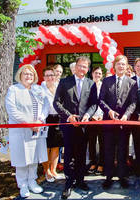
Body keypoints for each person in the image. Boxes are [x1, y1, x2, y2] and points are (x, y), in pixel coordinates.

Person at [53, 56, 98, 199]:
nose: (82, 69)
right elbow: (57, 103)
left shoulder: (91, 84)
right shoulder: (65, 82)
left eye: (85, 67)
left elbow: (93, 104)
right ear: (75, 66)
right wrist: (69, 116)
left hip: (84, 126)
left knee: (81, 154)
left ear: (87, 69)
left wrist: (87, 116)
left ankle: (80, 180)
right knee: (69, 155)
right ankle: (69, 182)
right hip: (68, 125)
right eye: (80, 66)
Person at [5, 64, 50, 198]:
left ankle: (32, 181)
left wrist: (40, 120)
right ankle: (23, 184)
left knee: (34, 157)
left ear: (34, 76)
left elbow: (46, 105)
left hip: (37, 129)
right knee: (22, 158)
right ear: (20, 75)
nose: (28, 76)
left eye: (31, 74)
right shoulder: (14, 89)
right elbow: (12, 110)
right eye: (25, 73)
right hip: (21, 131)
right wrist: (28, 123)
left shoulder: (38, 89)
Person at [99, 55, 137, 189]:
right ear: (114, 66)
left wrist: (127, 115)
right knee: (108, 151)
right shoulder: (106, 81)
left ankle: (122, 176)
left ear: (127, 66)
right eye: (118, 64)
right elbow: (101, 100)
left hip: (123, 123)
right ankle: (108, 177)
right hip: (109, 122)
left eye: (123, 64)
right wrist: (109, 111)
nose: (121, 66)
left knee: (122, 151)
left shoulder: (132, 82)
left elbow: (133, 102)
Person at [41, 66, 64, 183]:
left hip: (58, 119)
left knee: (56, 146)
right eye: (47, 75)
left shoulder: (58, 87)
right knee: (46, 146)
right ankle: (47, 171)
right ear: (44, 77)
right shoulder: (40, 89)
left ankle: (53, 170)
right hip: (46, 119)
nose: (50, 77)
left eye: (52, 75)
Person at [87, 67, 104, 175]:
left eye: (99, 73)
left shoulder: (104, 86)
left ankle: (102, 163)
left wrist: (101, 116)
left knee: (102, 142)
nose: (97, 75)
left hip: (102, 119)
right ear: (92, 74)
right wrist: (91, 116)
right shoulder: (88, 85)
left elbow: (106, 102)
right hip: (91, 119)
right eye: (95, 73)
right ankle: (93, 162)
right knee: (91, 142)